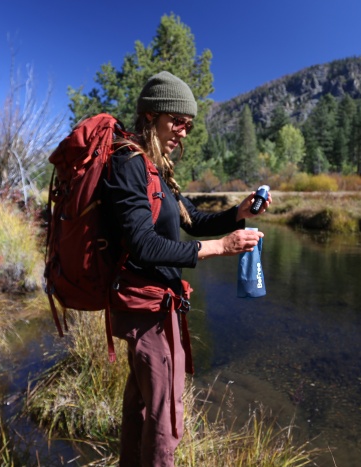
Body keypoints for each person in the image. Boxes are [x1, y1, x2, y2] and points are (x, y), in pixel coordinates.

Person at [101, 70, 271, 466]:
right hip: (148, 312)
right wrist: (218, 248)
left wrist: (237, 214)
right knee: (165, 422)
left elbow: (191, 219)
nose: (183, 131)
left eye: (188, 125)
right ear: (151, 116)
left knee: (141, 407)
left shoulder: (157, 171)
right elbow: (142, 243)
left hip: (157, 308)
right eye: (177, 121)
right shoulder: (129, 164)